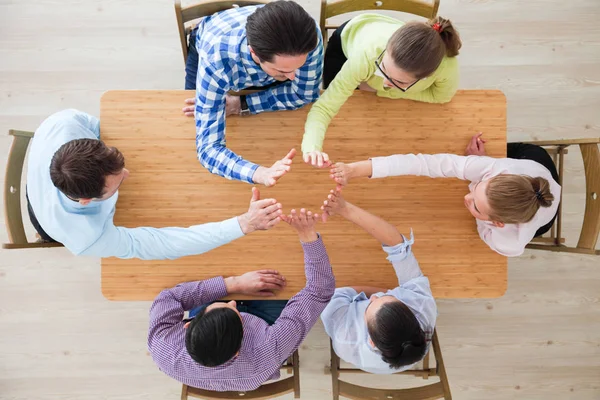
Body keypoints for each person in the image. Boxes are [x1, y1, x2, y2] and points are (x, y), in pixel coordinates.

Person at [26, 109, 283, 258]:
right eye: (116, 184)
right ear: (86, 201)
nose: (127, 174)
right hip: (47, 217)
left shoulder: (64, 123)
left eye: (120, 165)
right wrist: (243, 224)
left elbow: (102, 125)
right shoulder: (87, 238)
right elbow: (163, 243)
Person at [148, 208, 335, 391]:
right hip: (264, 329)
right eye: (236, 311)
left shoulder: (164, 347)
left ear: (188, 326)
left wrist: (234, 284)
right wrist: (307, 234)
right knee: (288, 284)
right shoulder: (268, 350)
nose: (233, 302)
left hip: (235, 338)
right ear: (239, 349)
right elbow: (319, 291)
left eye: (225, 306)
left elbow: (169, 297)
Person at [329, 133, 561, 257]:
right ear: (495, 176)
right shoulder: (497, 169)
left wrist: (473, 177)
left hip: (540, 217)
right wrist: (355, 169)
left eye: (476, 207)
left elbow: (484, 234)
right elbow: (422, 163)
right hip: (534, 164)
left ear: (497, 223)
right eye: (479, 187)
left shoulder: (509, 242)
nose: (466, 198)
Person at [182, 1, 324, 186]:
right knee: (187, 120)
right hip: (208, 45)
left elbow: (304, 94)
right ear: (254, 53)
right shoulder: (216, 60)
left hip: (255, 52)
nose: (293, 77)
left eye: (300, 66)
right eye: (282, 71)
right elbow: (208, 149)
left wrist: (241, 104)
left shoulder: (308, 37)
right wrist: (259, 173)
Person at [302, 14, 462, 167]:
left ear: (426, 77)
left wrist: (383, 91)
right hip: (347, 40)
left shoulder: (447, 67)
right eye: (383, 68)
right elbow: (325, 107)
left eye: (399, 81)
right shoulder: (366, 56)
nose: (384, 82)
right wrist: (312, 147)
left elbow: (440, 96)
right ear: (387, 49)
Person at [319, 189, 436, 374]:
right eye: (390, 296)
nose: (375, 296)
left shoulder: (344, 337)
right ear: (413, 316)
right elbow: (398, 246)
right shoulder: (421, 306)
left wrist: (387, 291)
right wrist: (345, 208)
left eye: (371, 303)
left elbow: (333, 293)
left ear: (371, 341)